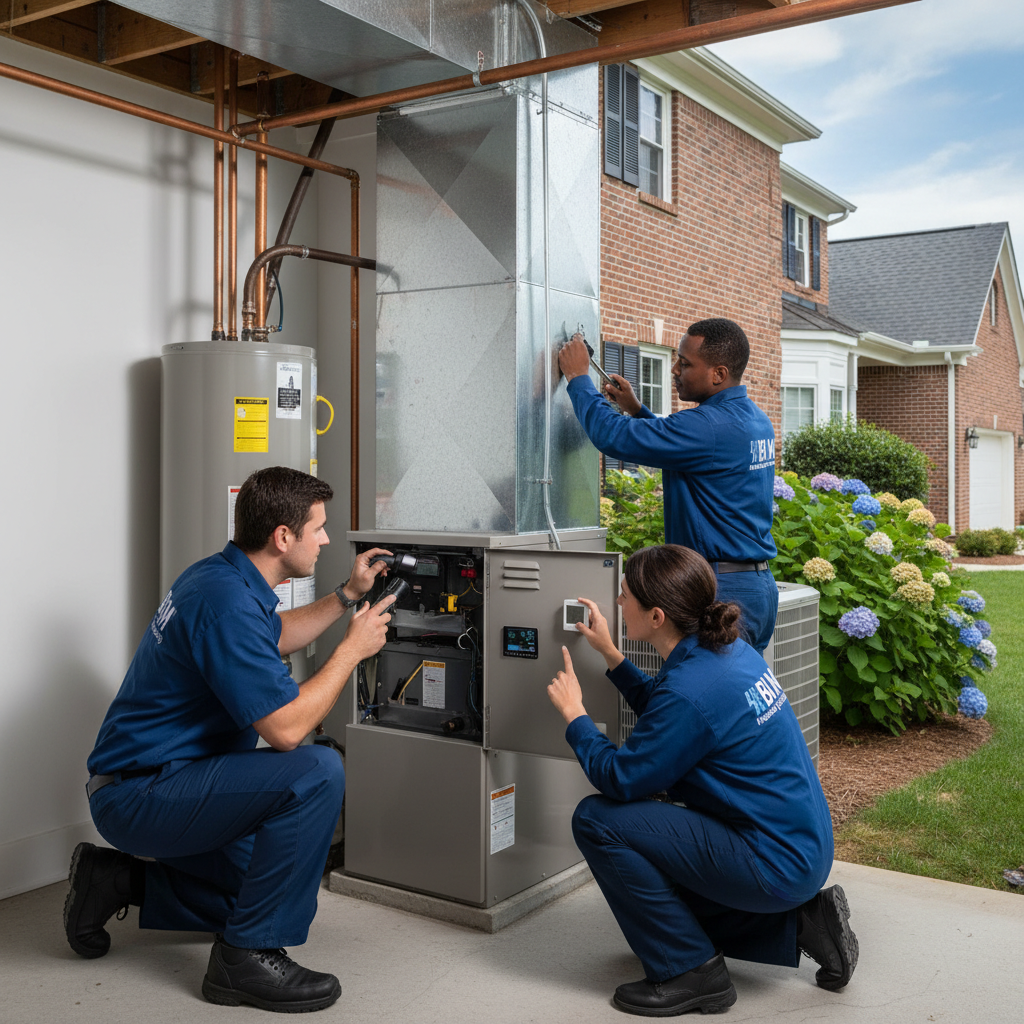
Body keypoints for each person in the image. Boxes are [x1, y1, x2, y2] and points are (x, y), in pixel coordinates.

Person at [64, 466, 397, 1013]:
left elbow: (276, 635)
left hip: (165, 780)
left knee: (266, 883)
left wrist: (345, 597)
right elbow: (288, 731)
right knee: (318, 770)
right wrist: (351, 651)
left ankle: (116, 880)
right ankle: (244, 959)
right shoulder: (226, 604)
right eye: (318, 528)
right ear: (283, 537)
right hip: (142, 793)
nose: (327, 539)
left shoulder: (223, 577)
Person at [546, 544, 856, 1017]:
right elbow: (677, 714)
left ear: (655, 616)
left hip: (774, 863)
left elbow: (621, 779)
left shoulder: (694, 687)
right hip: (799, 848)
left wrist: (576, 718)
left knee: (598, 821)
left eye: (624, 594)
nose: (617, 603)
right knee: (657, 873)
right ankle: (801, 925)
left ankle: (693, 972)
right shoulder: (727, 651)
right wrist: (611, 655)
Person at [557, 318, 778, 652]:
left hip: (721, 589)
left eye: (685, 364)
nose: (675, 369)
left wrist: (578, 378)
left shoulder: (708, 425)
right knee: (733, 693)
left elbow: (612, 436)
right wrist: (638, 411)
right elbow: (693, 449)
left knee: (703, 693)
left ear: (718, 374)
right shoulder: (754, 419)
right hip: (754, 585)